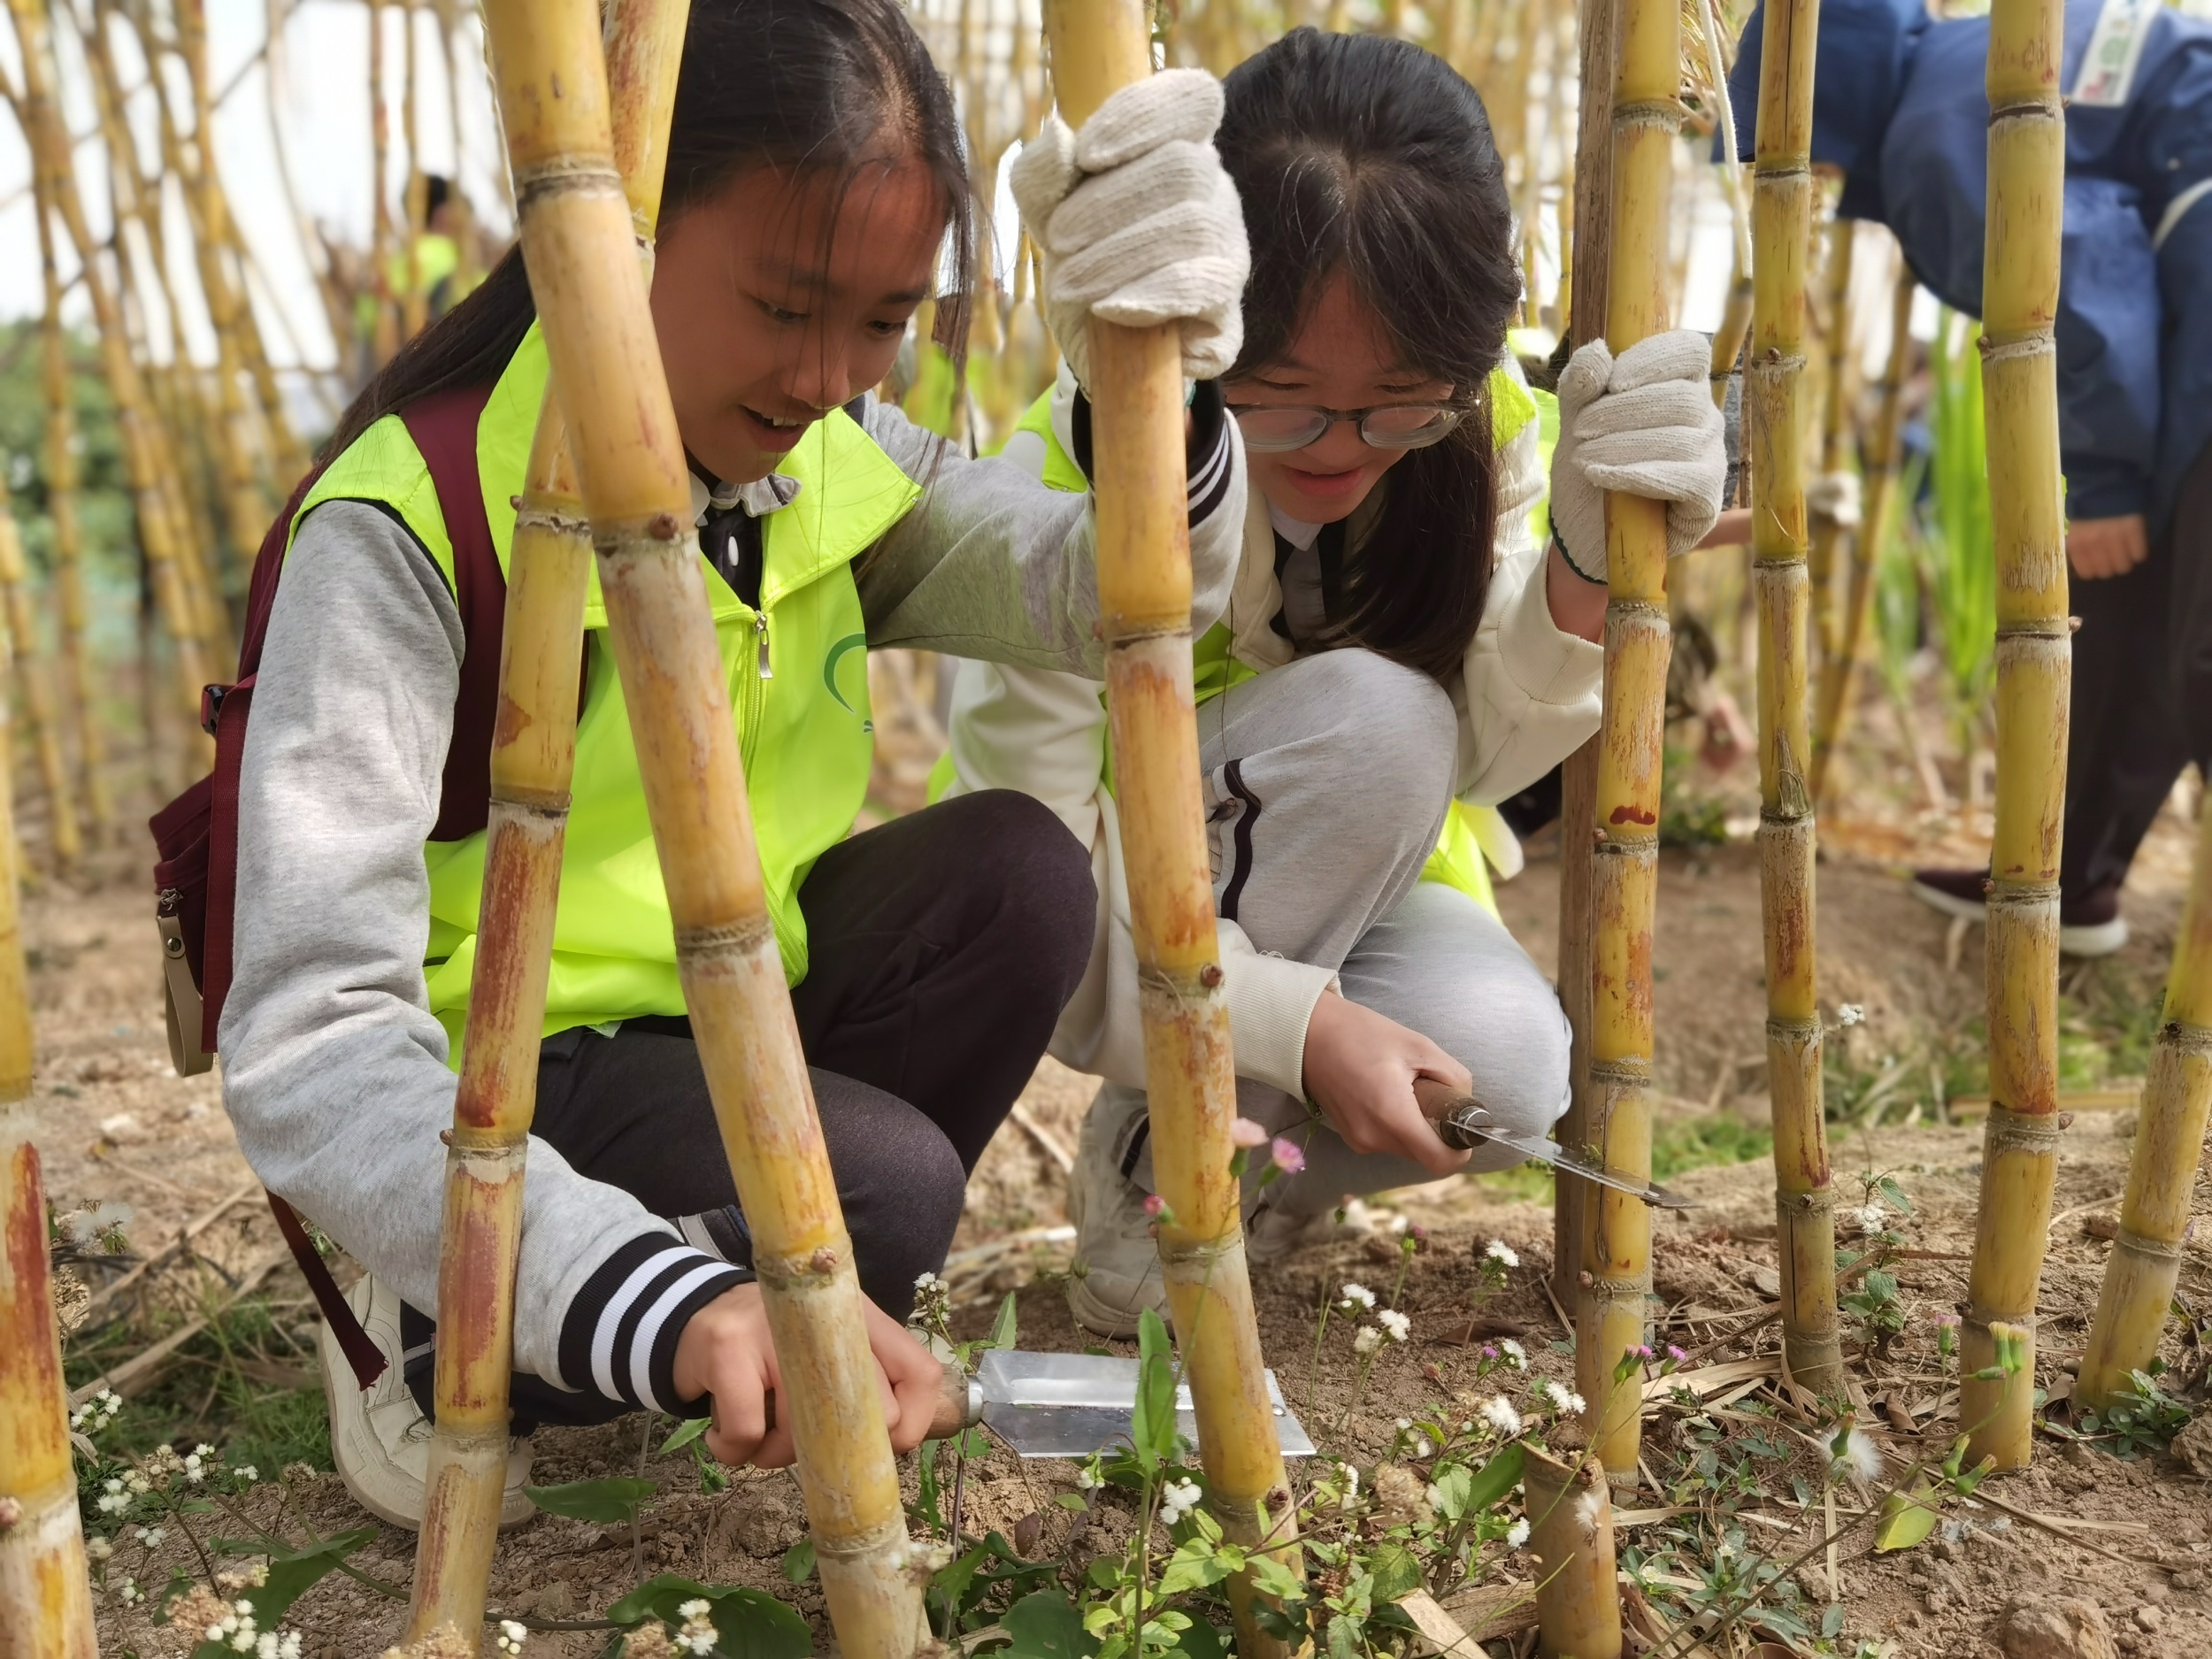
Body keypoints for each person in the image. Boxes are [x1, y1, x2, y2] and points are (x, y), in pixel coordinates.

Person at [221, 0, 1251, 1525]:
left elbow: (1104, 591)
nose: (832, 373)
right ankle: (442, 1321)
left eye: (887, 319)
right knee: (875, 1195)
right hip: (485, 1083)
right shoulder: (411, 525)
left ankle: (740, 1298)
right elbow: (309, 1044)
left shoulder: (817, 469)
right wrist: (655, 1295)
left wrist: (1148, 383)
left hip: (713, 1019)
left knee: (1018, 881)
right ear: (619, 235)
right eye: (785, 306)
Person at [936, 27, 1727, 1336]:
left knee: (1515, 1074)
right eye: (1285, 396)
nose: (1343, 448)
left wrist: (1585, 569)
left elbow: (1465, 768)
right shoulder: (1068, 483)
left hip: (1348, 881)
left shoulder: (1488, 438)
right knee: (1382, 717)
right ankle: (1171, 1161)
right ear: (1206, 330)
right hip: (1121, 908)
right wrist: (1303, 1028)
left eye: (1401, 401)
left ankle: (1247, 1148)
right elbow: (1041, 897)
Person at [1727, 0, 2212, 956]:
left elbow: (2076, 268)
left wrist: (2106, 480)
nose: (1802, 181)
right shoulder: (1968, 58)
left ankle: (2070, 882)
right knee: (2158, 618)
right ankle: (2070, 882)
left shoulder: (1935, 137)